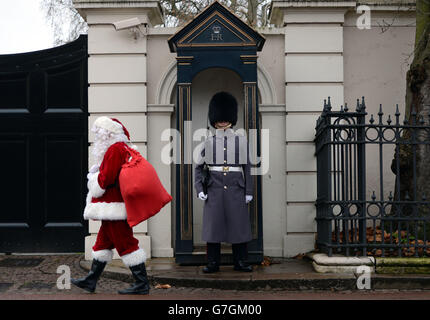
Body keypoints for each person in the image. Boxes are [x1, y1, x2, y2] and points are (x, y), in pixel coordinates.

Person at [71, 116, 149, 295]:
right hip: (112, 207)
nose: (98, 137)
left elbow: (106, 180)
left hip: (113, 206)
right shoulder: (121, 148)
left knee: (126, 243)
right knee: (102, 244)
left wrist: (93, 179)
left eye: (100, 133)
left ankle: (142, 283)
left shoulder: (114, 150)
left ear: (108, 133)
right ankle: (90, 280)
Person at [195, 91, 254, 273]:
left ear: (231, 118)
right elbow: (198, 167)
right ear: (214, 119)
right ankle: (213, 262)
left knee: (238, 226)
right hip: (214, 188)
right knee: (214, 227)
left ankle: (240, 261)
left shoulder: (241, 141)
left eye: (224, 117)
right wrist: (199, 188)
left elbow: (248, 168)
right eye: (219, 118)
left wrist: (248, 191)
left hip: (236, 188)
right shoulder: (208, 142)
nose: (221, 121)